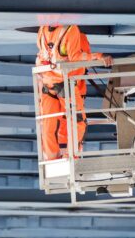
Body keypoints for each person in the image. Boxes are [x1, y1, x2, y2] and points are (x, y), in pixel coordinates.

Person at [36, 24, 113, 160]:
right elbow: (76, 57)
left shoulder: (44, 30)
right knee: (76, 122)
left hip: (50, 84)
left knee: (50, 126)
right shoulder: (69, 31)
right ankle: (68, 158)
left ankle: (58, 159)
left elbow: (43, 57)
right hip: (64, 84)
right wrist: (99, 56)